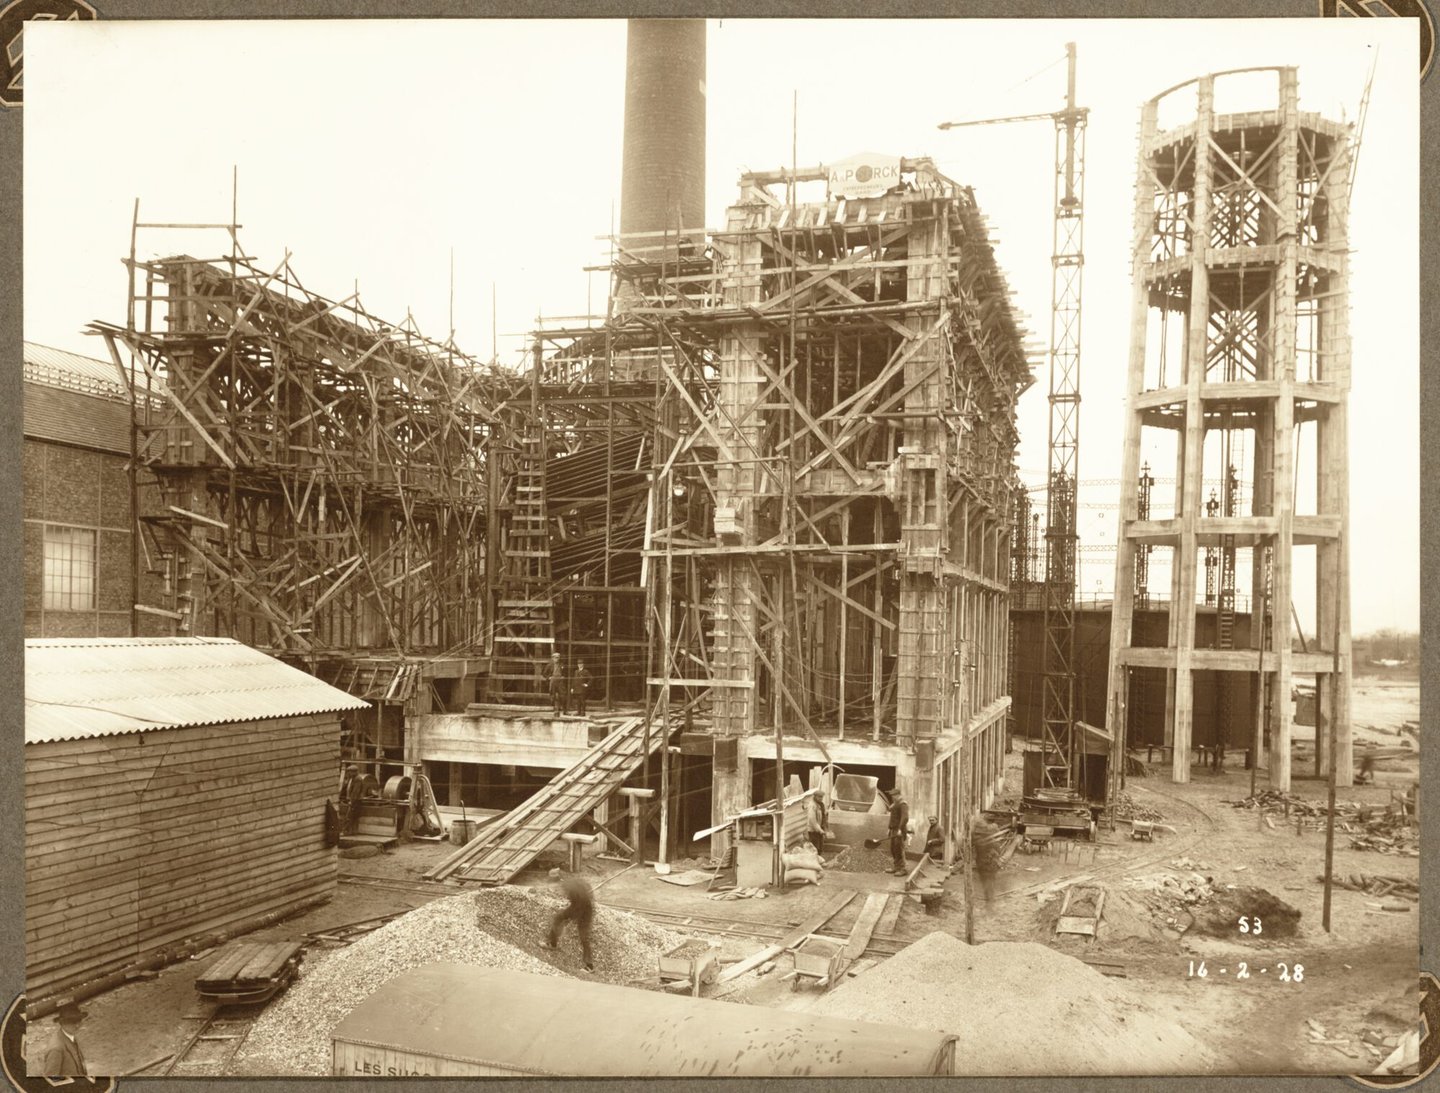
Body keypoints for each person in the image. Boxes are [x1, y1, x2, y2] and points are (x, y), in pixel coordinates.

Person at [543, 871, 595, 971]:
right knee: (558, 918)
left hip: (585, 911)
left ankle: (589, 966)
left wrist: (573, 918)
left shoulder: (570, 886)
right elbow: (577, 900)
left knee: (584, 937)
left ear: (557, 880)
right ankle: (552, 943)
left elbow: (579, 906)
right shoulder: (569, 883)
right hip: (578, 906)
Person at [43, 1001, 88, 1077]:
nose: (77, 1025)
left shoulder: (70, 1035)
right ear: (62, 1023)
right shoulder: (56, 1049)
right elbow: (50, 1080)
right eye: (72, 1021)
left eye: (79, 1020)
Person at [969, 812, 1002, 902]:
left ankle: (989, 896)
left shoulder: (977, 834)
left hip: (983, 860)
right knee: (990, 878)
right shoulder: (992, 829)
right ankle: (990, 897)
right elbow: (998, 846)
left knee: (986, 879)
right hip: (989, 859)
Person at [887, 788, 910, 876]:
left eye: (893, 795)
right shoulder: (896, 803)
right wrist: (889, 828)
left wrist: (900, 829)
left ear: (897, 795)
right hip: (894, 829)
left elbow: (905, 818)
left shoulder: (903, 804)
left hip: (899, 830)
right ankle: (896, 867)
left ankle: (903, 869)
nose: (892, 797)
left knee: (900, 849)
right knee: (893, 849)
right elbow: (893, 816)